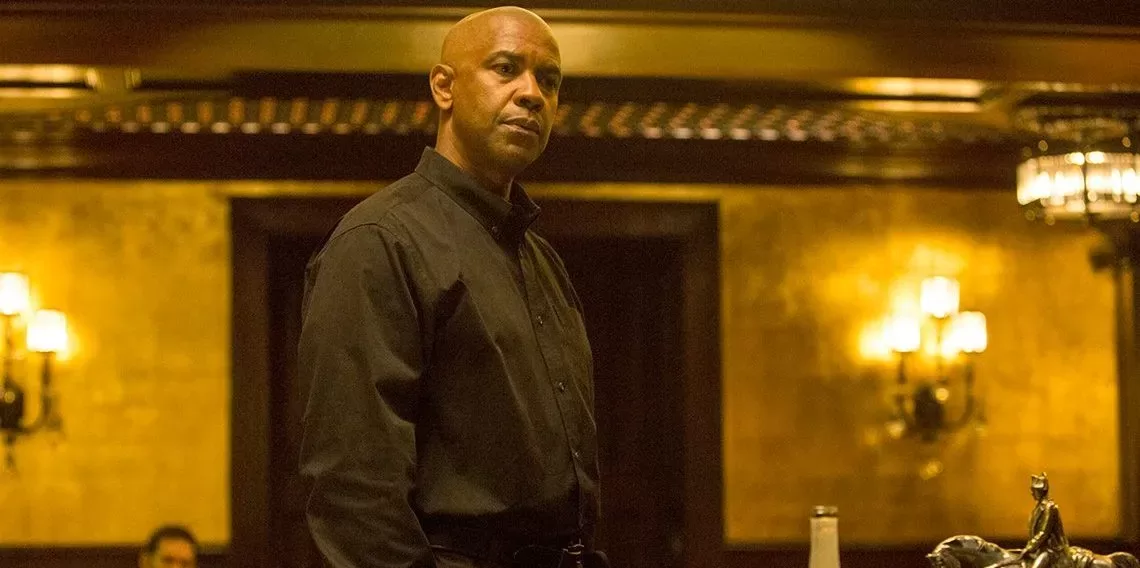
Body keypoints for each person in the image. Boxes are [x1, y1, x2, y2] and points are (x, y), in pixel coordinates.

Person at [298, 6, 604, 568]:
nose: (532, 94)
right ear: (444, 87)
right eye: (505, 69)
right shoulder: (380, 241)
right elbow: (354, 491)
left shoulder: (542, 260)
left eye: (549, 80)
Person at [987, 473, 1069, 568]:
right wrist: (1028, 548)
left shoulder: (1050, 508)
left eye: (1034, 490)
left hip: (1050, 550)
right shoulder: (1037, 509)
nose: (1032, 493)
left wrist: (1029, 548)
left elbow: (1043, 533)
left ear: (1041, 491)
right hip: (1038, 549)